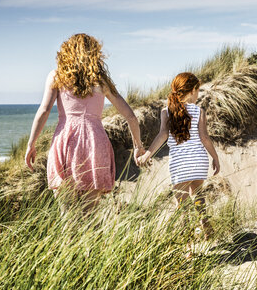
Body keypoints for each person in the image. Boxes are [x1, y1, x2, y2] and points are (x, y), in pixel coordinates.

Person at [25, 33, 145, 213]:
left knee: (68, 218)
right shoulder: (101, 80)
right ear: (94, 53)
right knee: (91, 219)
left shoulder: (57, 76)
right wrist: (138, 146)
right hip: (94, 143)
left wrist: (31, 144)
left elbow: (44, 110)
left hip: (66, 141)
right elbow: (131, 117)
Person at [139, 72, 220, 240]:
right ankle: (206, 227)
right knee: (197, 195)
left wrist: (147, 154)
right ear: (191, 91)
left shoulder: (166, 112)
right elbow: (204, 138)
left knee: (181, 206)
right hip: (199, 161)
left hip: (180, 164)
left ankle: (188, 246)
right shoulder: (199, 111)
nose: (198, 95)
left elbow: (162, 135)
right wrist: (215, 157)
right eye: (198, 90)